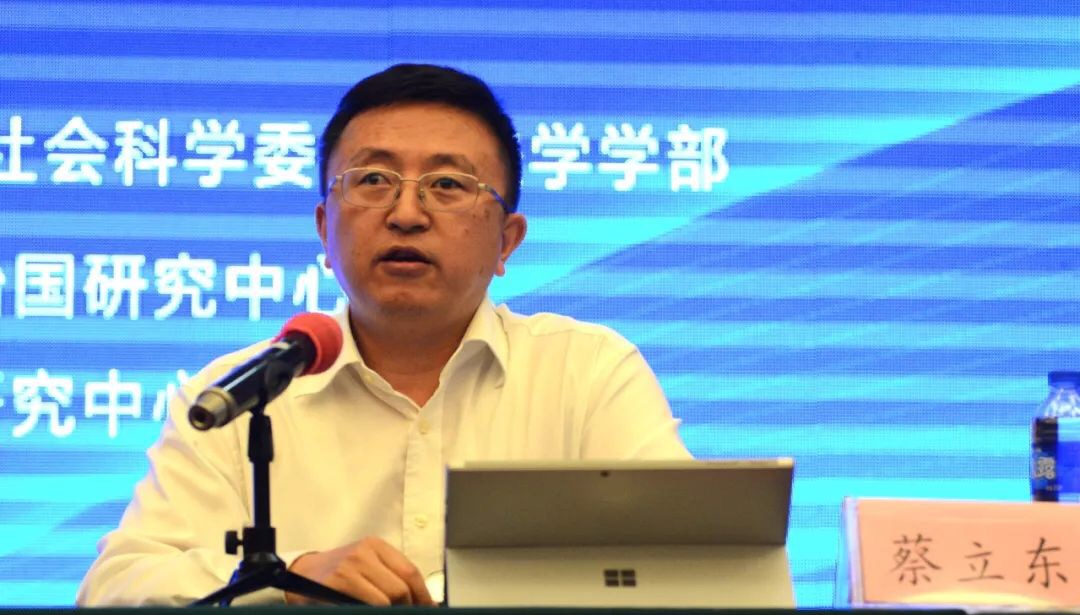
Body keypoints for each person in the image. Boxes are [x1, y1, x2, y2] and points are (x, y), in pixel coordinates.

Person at [77, 63, 691, 606]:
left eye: (448, 185)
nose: (406, 214)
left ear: (507, 241)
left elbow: (688, 568)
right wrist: (288, 581)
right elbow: (114, 586)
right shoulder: (238, 395)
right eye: (373, 180)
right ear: (325, 228)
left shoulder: (587, 373)